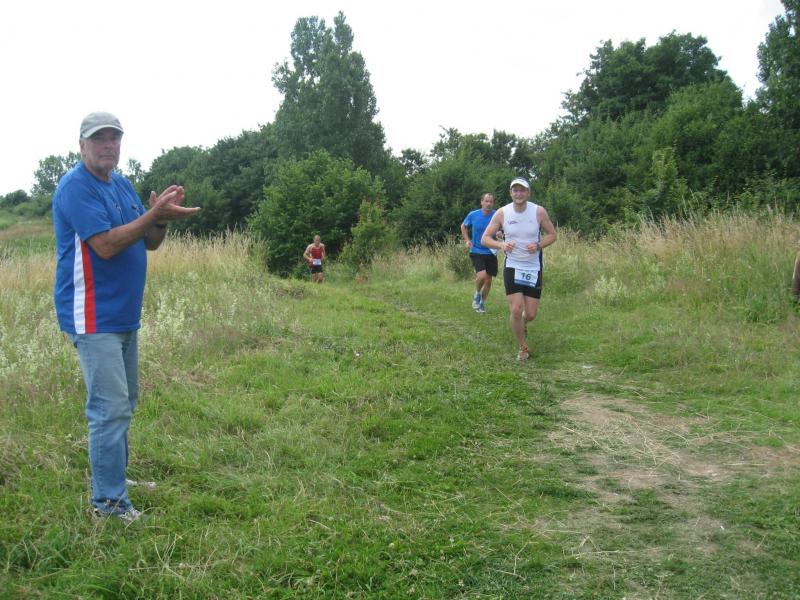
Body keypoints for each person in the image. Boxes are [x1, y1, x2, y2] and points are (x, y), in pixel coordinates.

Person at [52, 111, 200, 522]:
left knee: (125, 402)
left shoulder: (119, 183)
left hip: (123, 315)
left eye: (114, 138)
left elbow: (148, 241)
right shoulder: (75, 187)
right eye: (99, 138)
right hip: (93, 315)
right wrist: (151, 216)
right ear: (81, 145)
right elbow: (105, 246)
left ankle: (113, 476)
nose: (108, 145)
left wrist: (161, 218)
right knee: (109, 408)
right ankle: (109, 503)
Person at [481, 177, 557, 361]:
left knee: (530, 314)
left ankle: (522, 323)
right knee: (516, 309)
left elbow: (552, 235)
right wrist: (501, 245)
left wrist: (538, 245)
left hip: (533, 267)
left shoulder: (538, 211)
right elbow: (485, 239)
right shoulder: (502, 213)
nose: (519, 193)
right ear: (510, 193)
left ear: (528, 193)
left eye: (522, 190)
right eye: (515, 190)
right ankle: (523, 348)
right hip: (513, 265)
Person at [461, 193, 498, 313]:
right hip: (476, 250)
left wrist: (500, 233)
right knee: (482, 276)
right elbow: (463, 226)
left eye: (491, 202)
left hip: (491, 251)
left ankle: (481, 303)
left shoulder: (497, 215)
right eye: (486, 201)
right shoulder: (473, 214)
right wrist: (467, 240)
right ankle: (477, 294)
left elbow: (502, 229)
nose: (488, 204)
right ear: (481, 202)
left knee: (488, 280)